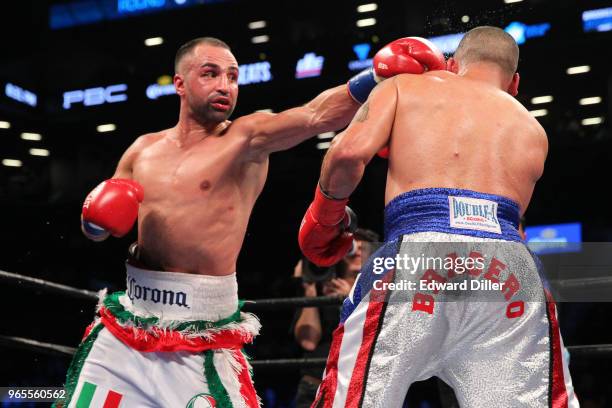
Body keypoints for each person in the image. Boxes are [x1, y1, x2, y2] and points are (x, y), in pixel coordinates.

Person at [57, 36, 444, 407]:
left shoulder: (246, 139)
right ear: (179, 83)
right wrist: (94, 224)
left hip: (200, 334)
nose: (224, 84)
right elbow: (97, 230)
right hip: (129, 324)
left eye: (232, 76)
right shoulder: (141, 150)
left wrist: (375, 79)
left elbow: (314, 115)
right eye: (210, 74)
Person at [299, 26, 579, 407]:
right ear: (515, 82)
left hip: (420, 255)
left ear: (452, 64)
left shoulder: (406, 88)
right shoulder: (533, 128)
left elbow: (346, 156)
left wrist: (326, 215)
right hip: (510, 270)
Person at [293, 229, 379, 408]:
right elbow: (307, 341)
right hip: (317, 384)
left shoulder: (381, 290)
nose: (356, 251)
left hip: (362, 384)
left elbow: (379, 334)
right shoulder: (323, 288)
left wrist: (351, 299)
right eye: (351, 247)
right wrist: (310, 290)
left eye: (363, 248)